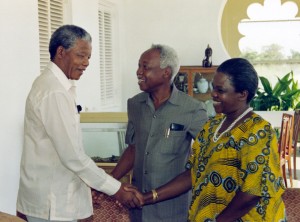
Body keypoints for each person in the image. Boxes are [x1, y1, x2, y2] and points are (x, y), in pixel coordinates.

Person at [16, 25, 142, 222]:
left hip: (55, 200)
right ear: (61, 52)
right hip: (52, 204)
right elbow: (72, 156)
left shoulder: (56, 86)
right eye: (81, 56)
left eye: (89, 57)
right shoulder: (54, 91)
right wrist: (116, 190)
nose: (86, 63)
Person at [138, 58, 286, 221]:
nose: (213, 94)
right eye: (213, 88)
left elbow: (253, 192)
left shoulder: (258, 131)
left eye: (220, 90)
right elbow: (192, 174)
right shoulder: (212, 126)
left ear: (242, 94)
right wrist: (147, 197)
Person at [110, 44, 208, 222]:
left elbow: (205, 162)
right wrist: (109, 184)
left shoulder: (193, 109)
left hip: (173, 211)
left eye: (145, 66)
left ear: (166, 73)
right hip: (138, 208)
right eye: (139, 66)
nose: (139, 72)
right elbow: (133, 149)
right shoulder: (134, 105)